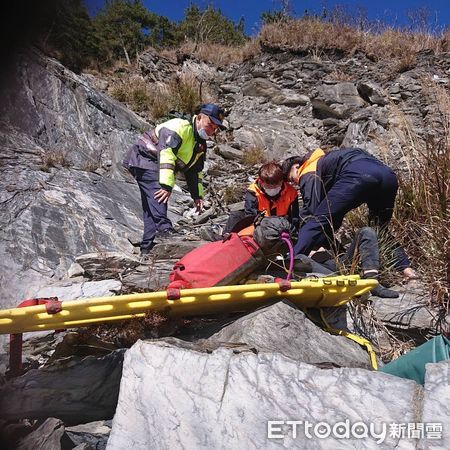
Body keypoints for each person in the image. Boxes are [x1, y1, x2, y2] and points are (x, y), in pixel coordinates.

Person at [282, 147, 416, 278]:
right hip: (388, 176)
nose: (295, 183)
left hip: (358, 175)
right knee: (380, 227)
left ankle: (288, 264)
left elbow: (312, 212)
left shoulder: (307, 169)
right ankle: (406, 268)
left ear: (296, 167)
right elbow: (334, 213)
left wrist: (297, 237)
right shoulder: (330, 159)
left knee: (316, 221)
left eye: (291, 178)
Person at [123, 103, 226, 257]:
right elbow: (166, 154)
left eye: (215, 128)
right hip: (144, 158)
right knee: (158, 193)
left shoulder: (200, 144)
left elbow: (195, 172)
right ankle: (165, 231)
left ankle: (147, 247)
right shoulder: (179, 127)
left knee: (150, 207)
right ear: (199, 118)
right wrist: (166, 185)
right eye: (210, 124)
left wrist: (197, 196)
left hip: (154, 164)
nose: (212, 130)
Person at [221, 161, 299, 237]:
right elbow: (250, 217)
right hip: (260, 225)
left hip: (281, 225)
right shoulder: (253, 192)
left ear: (282, 181)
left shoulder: (291, 193)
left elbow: (294, 218)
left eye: (276, 185)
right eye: (269, 186)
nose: (273, 188)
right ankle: (225, 238)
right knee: (236, 215)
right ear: (261, 182)